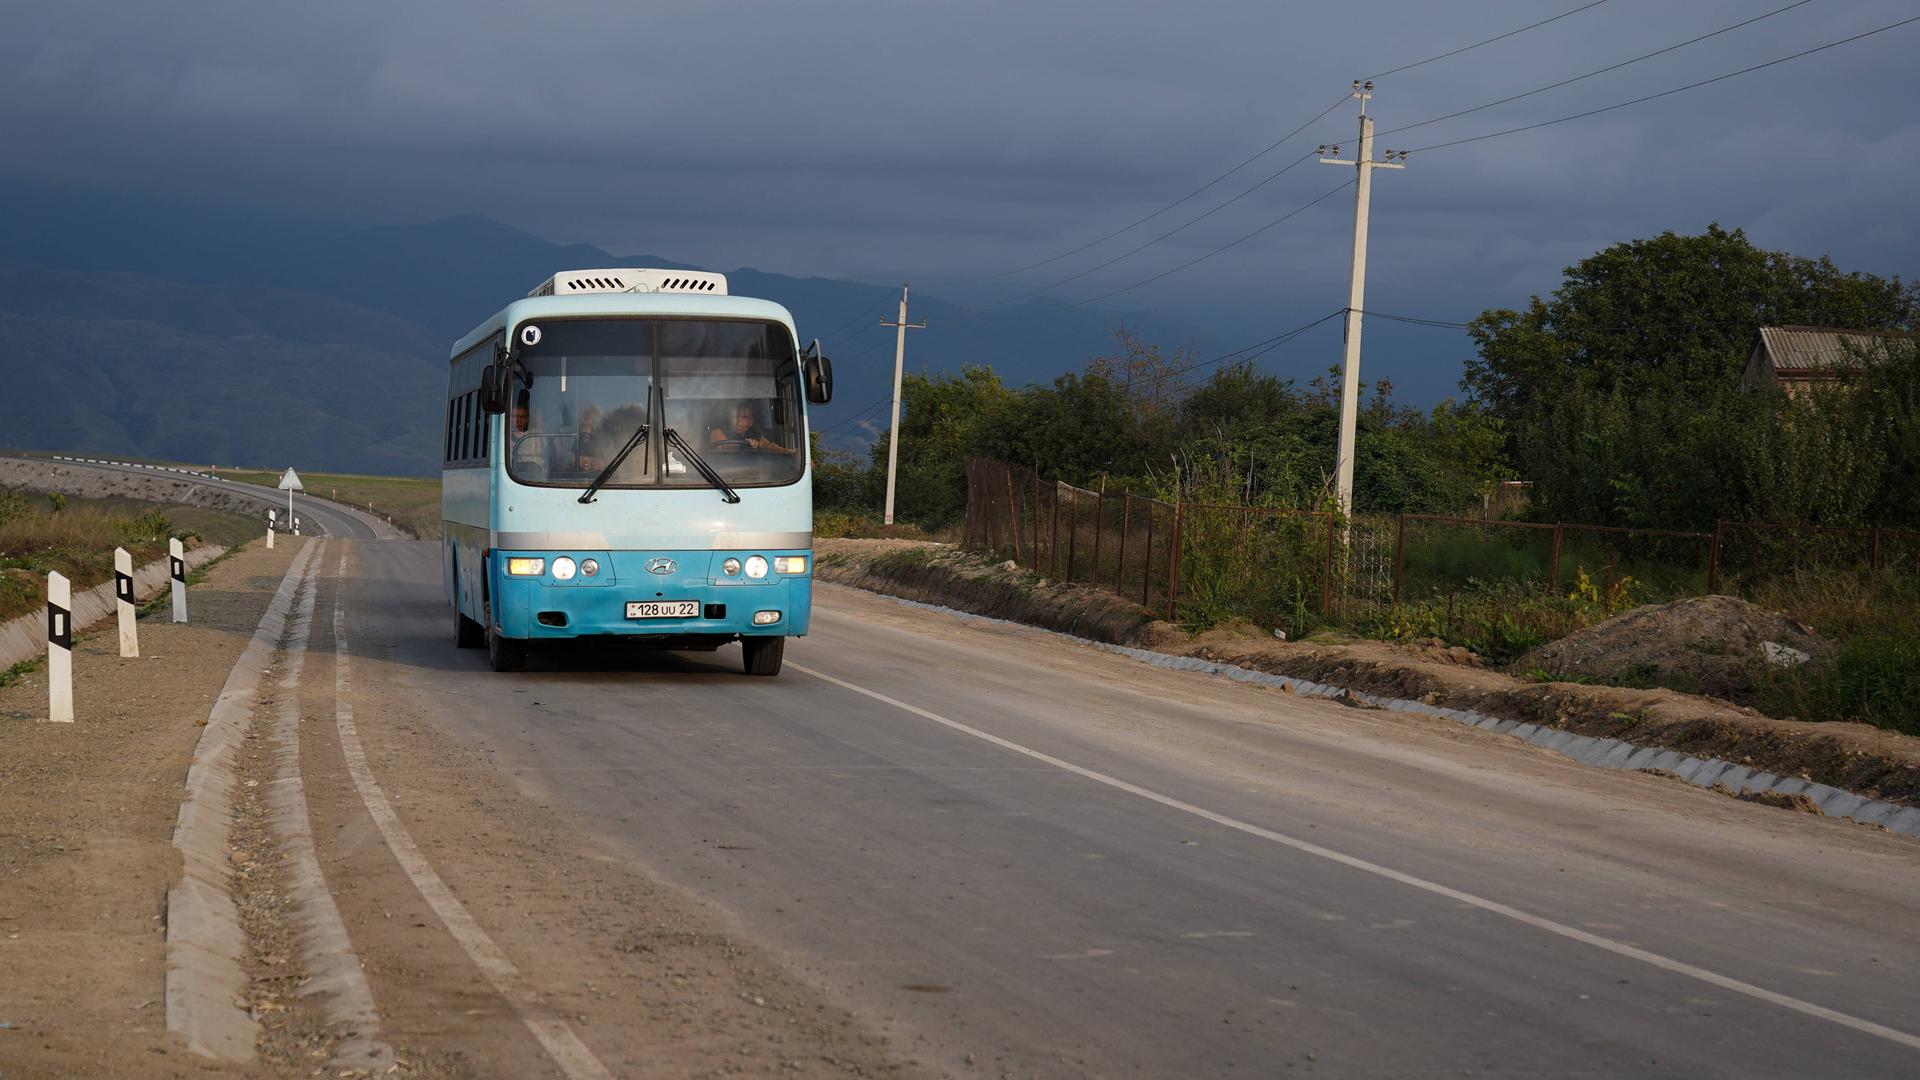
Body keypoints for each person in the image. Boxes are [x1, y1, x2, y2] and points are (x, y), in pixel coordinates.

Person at [708, 401, 793, 454]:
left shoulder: (754, 433)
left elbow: (769, 446)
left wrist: (788, 451)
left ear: (751, 421)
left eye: (744, 417)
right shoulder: (718, 432)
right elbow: (724, 449)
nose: (738, 421)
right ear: (730, 419)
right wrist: (748, 445)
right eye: (736, 416)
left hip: (752, 473)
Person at [509, 391, 550, 476]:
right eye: (515, 416)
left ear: (527, 419)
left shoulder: (536, 435)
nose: (518, 420)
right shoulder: (504, 437)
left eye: (522, 417)